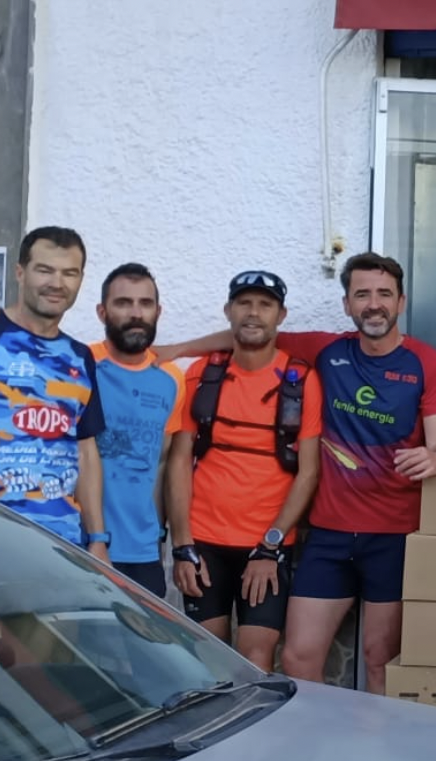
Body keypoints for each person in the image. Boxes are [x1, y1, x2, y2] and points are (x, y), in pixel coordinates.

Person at [275, 252, 436, 695]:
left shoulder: (427, 363)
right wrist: (177, 350)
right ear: (347, 304)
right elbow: (251, 334)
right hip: (329, 534)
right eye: (362, 295)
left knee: (381, 662)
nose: (373, 304)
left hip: (394, 536)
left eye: (383, 294)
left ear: (401, 301)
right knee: (297, 658)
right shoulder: (327, 350)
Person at [164, 270, 323, 670]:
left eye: (265, 305)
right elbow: (180, 459)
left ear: (281, 316)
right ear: (228, 311)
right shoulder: (203, 373)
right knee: (208, 656)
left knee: (256, 657)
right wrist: (182, 545)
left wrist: (269, 546)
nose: (254, 313)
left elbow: (308, 472)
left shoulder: (302, 381)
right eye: (244, 303)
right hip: (204, 539)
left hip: (266, 542)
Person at [1, 226, 109, 560]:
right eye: (44, 270)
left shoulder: (80, 356)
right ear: (20, 272)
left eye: (69, 273)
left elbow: (86, 450)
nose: (57, 283)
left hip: (59, 546)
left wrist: (97, 538)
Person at [90, 263, 185, 597]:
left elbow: (161, 463)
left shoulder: (172, 378)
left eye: (145, 304)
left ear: (158, 311)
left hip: (143, 551)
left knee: (139, 648)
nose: (136, 313)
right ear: (102, 312)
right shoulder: (80, 365)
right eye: (123, 303)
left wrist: (159, 537)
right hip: (78, 541)